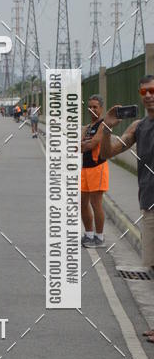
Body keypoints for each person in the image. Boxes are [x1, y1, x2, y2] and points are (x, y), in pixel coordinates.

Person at [100, 75, 154, 339]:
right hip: (149, 203)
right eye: (143, 91)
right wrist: (107, 128)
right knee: (152, 264)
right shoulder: (138, 127)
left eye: (152, 90)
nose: (148, 95)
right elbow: (108, 153)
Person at [80, 94, 109, 248]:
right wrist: (83, 144)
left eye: (95, 107)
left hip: (98, 167)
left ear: (101, 109)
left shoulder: (103, 125)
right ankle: (89, 234)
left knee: (95, 203)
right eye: (89, 107)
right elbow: (80, 144)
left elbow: (93, 144)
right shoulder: (88, 126)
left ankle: (99, 237)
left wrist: (84, 144)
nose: (91, 110)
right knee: (83, 203)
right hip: (85, 168)